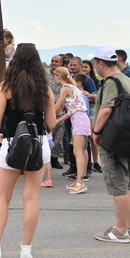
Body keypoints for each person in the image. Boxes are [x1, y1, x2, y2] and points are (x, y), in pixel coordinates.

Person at [0, 44, 56, 258]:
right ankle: (26, 251)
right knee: (31, 198)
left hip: (12, 143)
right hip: (38, 145)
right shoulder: (44, 89)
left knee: (2, 198)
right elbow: (50, 125)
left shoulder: (6, 87)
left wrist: (0, 137)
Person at [90, 46, 130, 243]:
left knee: (117, 185)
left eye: (95, 63)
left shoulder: (111, 82)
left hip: (113, 139)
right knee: (126, 184)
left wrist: (96, 132)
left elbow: (106, 109)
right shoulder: (127, 79)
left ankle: (120, 230)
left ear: (101, 63)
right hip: (128, 138)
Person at [52, 67, 89, 195]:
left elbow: (56, 106)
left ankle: (80, 182)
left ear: (59, 76)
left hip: (79, 121)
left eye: (54, 76)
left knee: (77, 151)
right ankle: (80, 180)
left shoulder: (66, 88)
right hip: (80, 119)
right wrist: (57, 121)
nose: (54, 79)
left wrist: (47, 115)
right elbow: (71, 111)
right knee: (81, 151)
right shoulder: (72, 88)